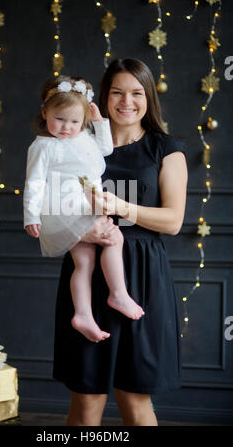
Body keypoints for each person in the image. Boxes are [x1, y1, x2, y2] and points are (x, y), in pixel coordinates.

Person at [53, 59, 188, 426]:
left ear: (148, 98)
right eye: (117, 92)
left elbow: (173, 221)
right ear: (105, 97)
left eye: (136, 93)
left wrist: (120, 206)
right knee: (86, 402)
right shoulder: (78, 143)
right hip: (88, 275)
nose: (126, 101)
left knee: (135, 399)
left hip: (142, 279)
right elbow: (53, 208)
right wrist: (81, 231)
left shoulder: (166, 148)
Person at [23, 75, 144, 344]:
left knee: (85, 261)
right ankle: (118, 293)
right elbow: (34, 183)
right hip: (65, 209)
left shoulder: (85, 137)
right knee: (115, 238)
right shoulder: (43, 146)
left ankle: (83, 315)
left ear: (84, 121)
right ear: (45, 113)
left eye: (75, 121)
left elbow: (105, 148)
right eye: (60, 119)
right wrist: (31, 215)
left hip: (86, 206)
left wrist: (98, 121)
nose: (66, 127)